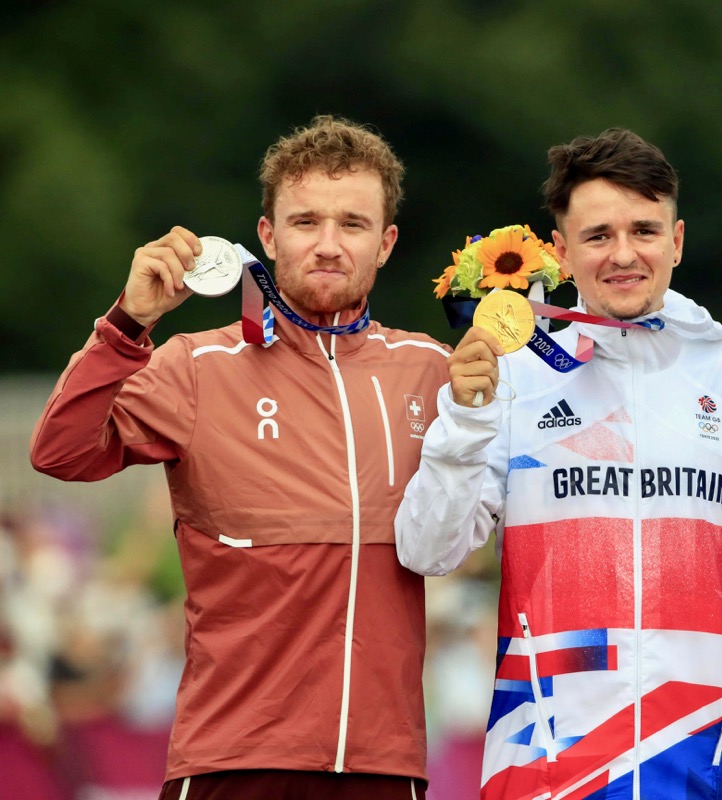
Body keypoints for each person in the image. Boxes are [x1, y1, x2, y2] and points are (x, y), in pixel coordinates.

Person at [395, 128, 722, 799]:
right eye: (598, 236)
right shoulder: (514, 379)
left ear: (677, 241)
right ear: (562, 252)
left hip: (699, 768)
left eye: (645, 231)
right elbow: (428, 548)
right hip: (541, 773)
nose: (624, 255)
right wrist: (466, 417)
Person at [30, 115, 449, 799]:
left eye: (353, 224)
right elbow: (61, 452)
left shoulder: (431, 372)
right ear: (267, 235)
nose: (328, 244)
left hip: (383, 764)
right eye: (306, 221)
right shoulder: (198, 365)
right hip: (231, 762)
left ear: (386, 243)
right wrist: (128, 324)